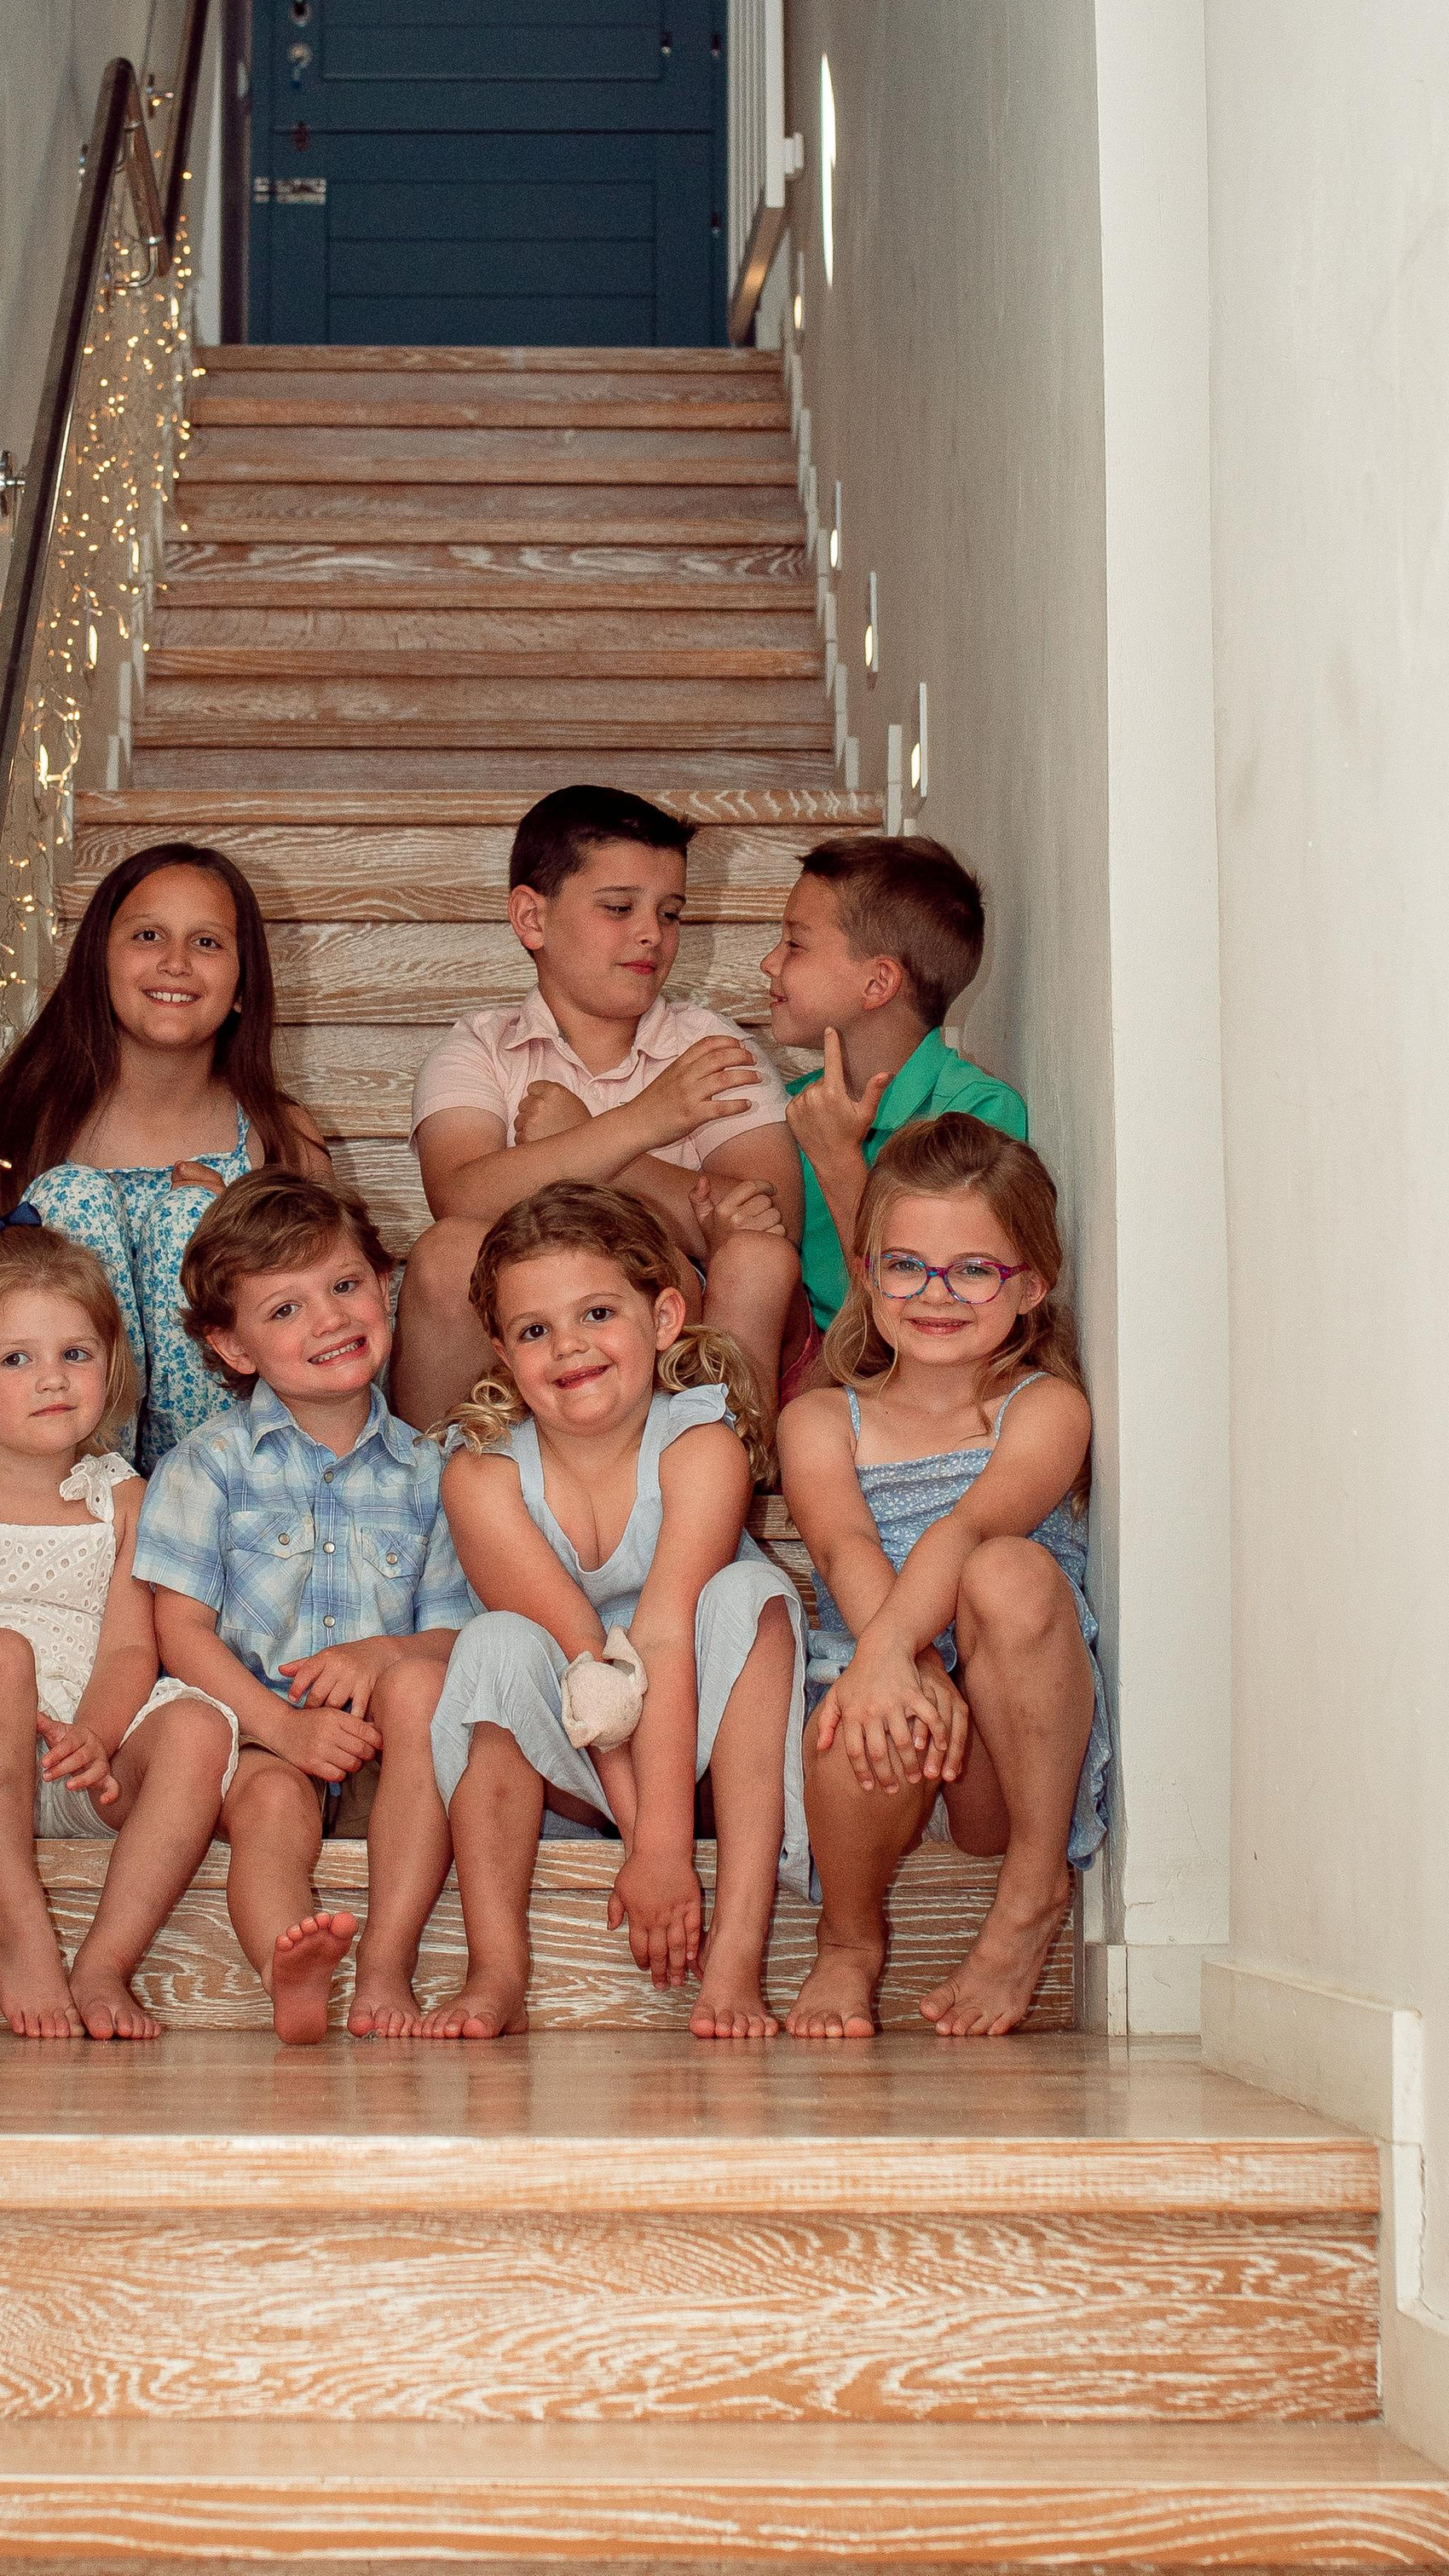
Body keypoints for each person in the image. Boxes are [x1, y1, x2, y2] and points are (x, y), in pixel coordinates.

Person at [423, 1182, 808, 2044]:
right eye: (533, 1331)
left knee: (753, 1598)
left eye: (597, 1313)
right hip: (573, 1746)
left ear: (664, 1317)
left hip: (698, 1739)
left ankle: (740, 1948)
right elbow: (590, 1666)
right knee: (491, 1643)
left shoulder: (702, 1445)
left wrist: (669, 1851)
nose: (568, 1347)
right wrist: (646, 1849)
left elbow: (664, 1635)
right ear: (501, 1353)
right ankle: (496, 1964)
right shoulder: (481, 1477)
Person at [0, 1222, 238, 2042]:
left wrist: (95, 1737)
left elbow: (133, 1646)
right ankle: (16, 1916)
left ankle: (104, 1963)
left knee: (200, 1726)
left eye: (76, 1354)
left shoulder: (122, 1494)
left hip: (85, 1759)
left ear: (110, 1367)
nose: (52, 1379)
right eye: (16, 1359)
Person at [778, 1112, 1108, 2040]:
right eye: (906, 1265)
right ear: (868, 1270)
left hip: (1011, 1748)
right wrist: (899, 1666)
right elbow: (844, 1547)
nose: (936, 1293)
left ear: (1031, 1284)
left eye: (974, 1269)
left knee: (1008, 1570)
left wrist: (893, 1648)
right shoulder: (819, 1422)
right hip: (888, 1724)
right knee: (853, 1713)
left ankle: (1034, 1886)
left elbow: (964, 1531)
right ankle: (847, 1940)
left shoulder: (1045, 1411)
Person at [134, 1171, 471, 2041]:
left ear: (384, 1287)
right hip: (256, 1739)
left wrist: (381, 1658)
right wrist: (279, 1729)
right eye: (284, 1309)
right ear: (234, 1347)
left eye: (345, 1286)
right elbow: (180, 1633)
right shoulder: (205, 1466)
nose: (328, 1319)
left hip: (380, 1752)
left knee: (433, 1733)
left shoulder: (434, 1473)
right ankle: (289, 1962)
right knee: (273, 1812)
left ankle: (387, 1966)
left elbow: (450, 1632)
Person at [395, 786, 801, 1424]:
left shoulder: (712, 1051)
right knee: (449, 1252)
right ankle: (425, 1490)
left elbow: (766, 1223)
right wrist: (642, 1123)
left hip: (665, 1328)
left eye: (671, 914)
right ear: (532, 919)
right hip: (522, 1334)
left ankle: (720, 1466)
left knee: (752, 1255)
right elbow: (461, 1197)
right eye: (619, 907)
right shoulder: (483, 1048)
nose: (652, 935)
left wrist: (598, 1140)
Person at [0, 842, 330, 1467]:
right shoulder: (32, 1121)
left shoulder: (279, 1134)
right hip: (66, 1456)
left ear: (242, 985)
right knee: (68, 1195)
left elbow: (327, 1311)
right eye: (148, 935)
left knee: (196, 1217)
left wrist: (239, 1233)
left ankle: (194, 1501)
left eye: (207, 943)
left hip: (236, 1469)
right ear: (98, 965)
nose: (176, 963)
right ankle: (98, 1487)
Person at [761, 835, 1027, 1386]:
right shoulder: (794, 1107)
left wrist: (836, 1157)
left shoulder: (975, 1111)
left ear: (878, 982)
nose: (769, 963)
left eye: (794, 943)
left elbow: (926, 1294)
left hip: (922, 1372)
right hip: (817, 1366)